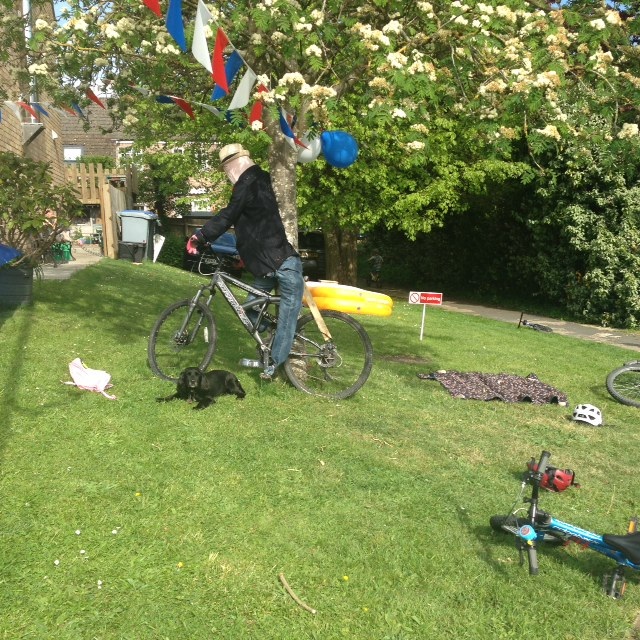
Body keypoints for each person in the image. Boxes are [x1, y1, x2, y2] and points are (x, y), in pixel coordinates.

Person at [186, 143, 304, 381]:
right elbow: (253, 223)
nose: (227, 175)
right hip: (267, 266)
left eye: (226, 169)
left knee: (286, 321)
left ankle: (272, 365)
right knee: (247, 310)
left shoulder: (248, 182)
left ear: (233, 166)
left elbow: (229, 214)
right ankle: (272, 334)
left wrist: (201, 235)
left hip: (282, 265)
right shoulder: (259, 180)